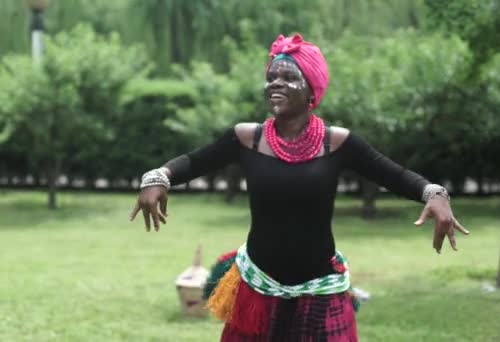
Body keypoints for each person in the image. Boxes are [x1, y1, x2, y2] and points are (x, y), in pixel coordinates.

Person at [129, 34, 470, 341]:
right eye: (271, 77)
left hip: (320, 293)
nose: (275, 83)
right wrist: (157, 177)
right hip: (257, 291)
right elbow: (194, 162)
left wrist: (434, 194)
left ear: (312, 90)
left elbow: (395, 175)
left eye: (288, 77)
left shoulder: (337, 143)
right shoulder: (247, 138)